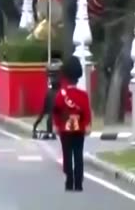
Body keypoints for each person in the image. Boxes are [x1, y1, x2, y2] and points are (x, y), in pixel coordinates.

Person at [53, 57, 91, 191]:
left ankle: (69, 181)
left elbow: (57, 112)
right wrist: (87, 125)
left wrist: (56, 125)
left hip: (65, 129)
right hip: (79, 129)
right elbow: (87, 112)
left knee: (67, 155)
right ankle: (78, 183)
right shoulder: (83, 95)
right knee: (78, 155)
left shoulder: (60, 95)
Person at [30, 63, 63, 139]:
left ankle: (50, 131)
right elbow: (44, 111)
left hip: (56, 120)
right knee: (51, 116)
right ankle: (50, 131)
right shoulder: (59, 92)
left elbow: (44, 111)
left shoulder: (51, 93)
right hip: (60, 122)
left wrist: (35, 125)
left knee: (50, 116)